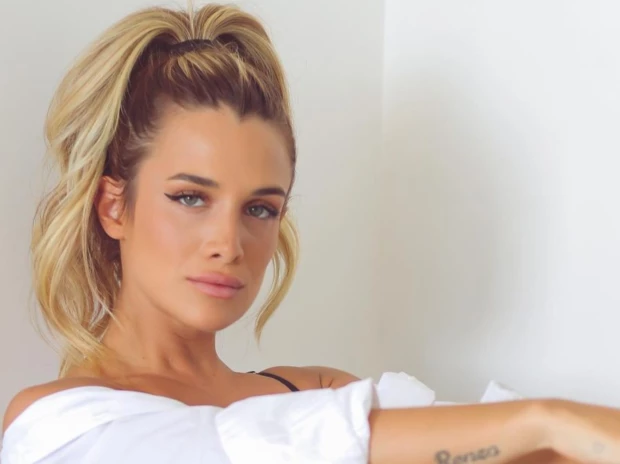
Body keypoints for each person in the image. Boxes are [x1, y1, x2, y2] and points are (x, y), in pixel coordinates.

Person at [1, 3, 620, 463]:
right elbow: (231, 449)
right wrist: (545, 420)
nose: (229, 243)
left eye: (260, 209)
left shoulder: (314, 392)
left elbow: (515, 449)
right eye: (191, 197)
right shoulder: (57, 424)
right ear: (114, 207)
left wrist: (550, 434)